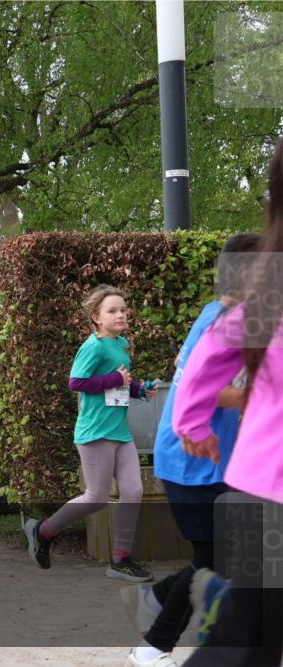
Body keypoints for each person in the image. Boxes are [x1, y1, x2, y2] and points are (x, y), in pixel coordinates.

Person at [122, 233, 261, 667]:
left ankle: (155, 602)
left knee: (223, 558)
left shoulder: (221, 315)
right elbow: (195, 391)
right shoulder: (225, 320)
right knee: (219, 560)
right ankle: (154, 642)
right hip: (191, 463)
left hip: (205, 462)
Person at [173, 136, 283, 667]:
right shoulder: (261, 301)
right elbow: (199, 366)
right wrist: (195, 420)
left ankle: (210, 593)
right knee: (246, 635)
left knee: (251, 630)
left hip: (255, 481)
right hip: (265, 488)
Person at [24, 284, 155, 581]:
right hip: (95, 433)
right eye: (113, 310)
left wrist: (138, 389)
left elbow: (116, 384)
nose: (120, 314)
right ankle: (43, 531)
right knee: (95, 497)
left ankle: (120, 559)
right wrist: (114, 378)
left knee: (133, 491)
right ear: (96, 317)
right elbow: (77, 382)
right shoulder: (92, 346)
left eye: (123, 309)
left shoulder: (120, 343)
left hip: (120, 433)